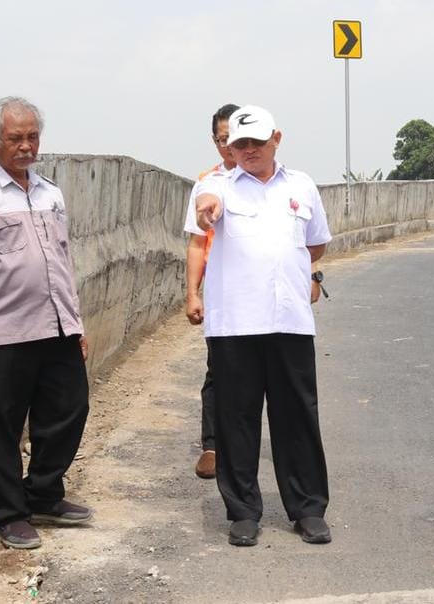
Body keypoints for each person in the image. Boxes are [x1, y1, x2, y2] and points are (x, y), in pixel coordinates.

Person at [0, 97, 91, 550]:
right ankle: (9, 514)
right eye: (15, 138)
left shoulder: (50, 193)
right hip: (1, 333)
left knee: (69, 410)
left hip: (57, 327)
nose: (26, 146)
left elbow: (62, 261)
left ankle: (43, 493)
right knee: (0, 428)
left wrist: (76, 323)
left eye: (32, 137)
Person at [191, 105, 332, 546]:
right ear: (230, 148)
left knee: (297, 416)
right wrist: (207, 209)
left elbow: (316, 244)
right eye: (240, 144)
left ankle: (308, 508)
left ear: (276, 138)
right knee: (236, 419)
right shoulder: (216, 186)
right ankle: (243, 511)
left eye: (256, 142)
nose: (249, 150)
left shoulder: (301, 185)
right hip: (234, 323)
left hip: (290, 320)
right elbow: (204, 209)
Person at [184, 103, 240, 480]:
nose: (230, 146)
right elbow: (196, 242)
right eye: (223, 139)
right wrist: (193, 292)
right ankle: (213, 445)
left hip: (262, 296)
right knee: (218, 369)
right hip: (222, 295)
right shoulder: (208, 182)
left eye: (235, 138)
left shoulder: (273, 181)